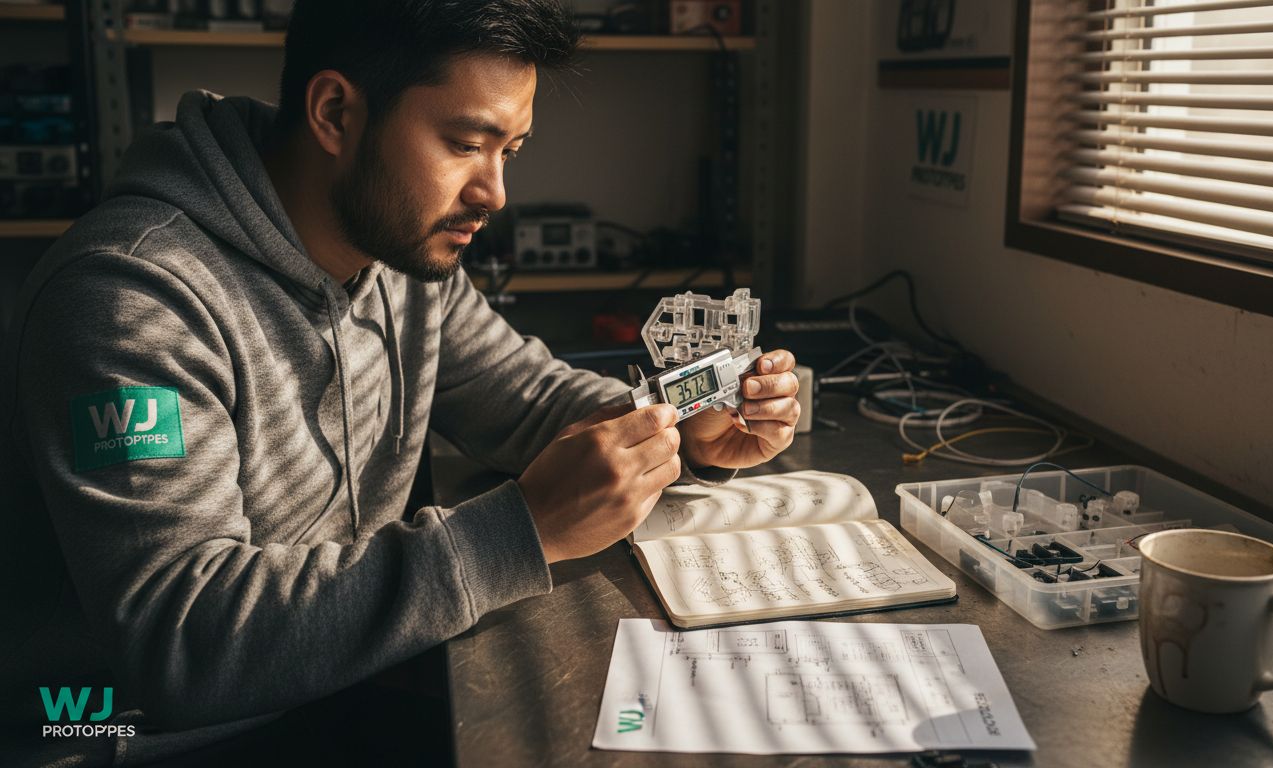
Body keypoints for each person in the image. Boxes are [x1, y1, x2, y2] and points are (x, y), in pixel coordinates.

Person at [0, 0, 800, 763]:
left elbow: (529, 401)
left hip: (337, 689)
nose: (494, 193)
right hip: (147, 742)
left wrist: (678, 428)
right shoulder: (131, 299)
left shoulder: (401, 258)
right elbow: (185, 644)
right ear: (337, 114)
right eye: (465, 144)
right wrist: (520, 531)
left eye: (508, 152)